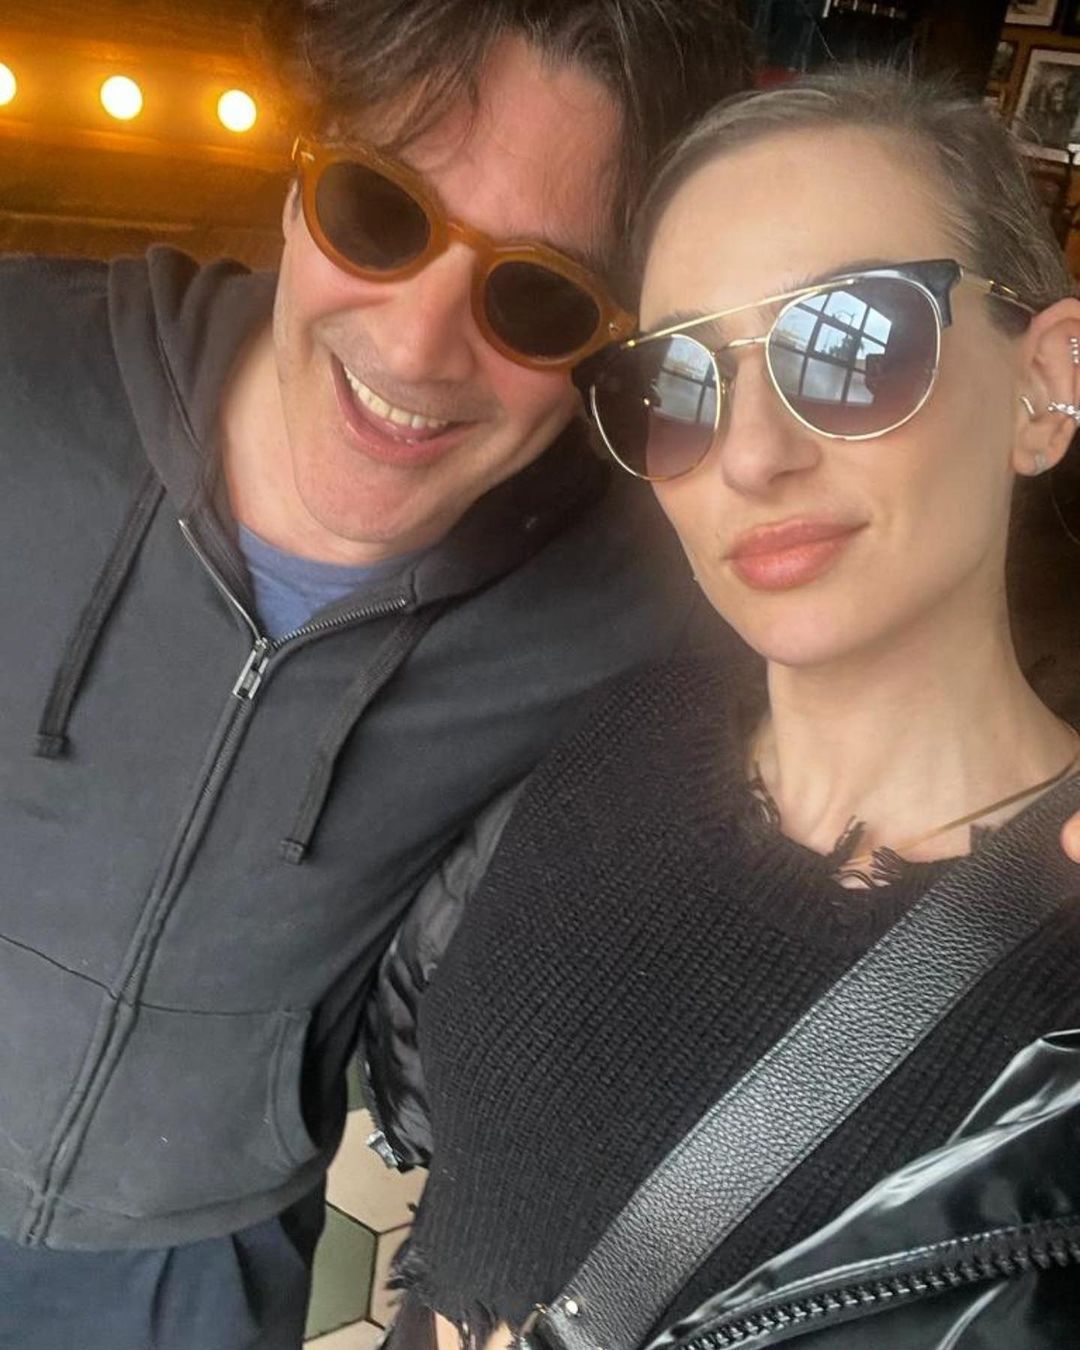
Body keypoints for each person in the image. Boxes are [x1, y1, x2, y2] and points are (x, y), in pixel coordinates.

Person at [0, 4, 752, 1348]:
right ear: (304, 176)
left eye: (538, 297)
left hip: (200, 1267)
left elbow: (865, 695)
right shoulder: (23, 373)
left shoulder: (627, 593)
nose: (416, 348)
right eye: (379, 211)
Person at [366, 67, 1080, 1349]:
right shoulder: (624, 733)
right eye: (680, 381)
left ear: (1046, 384)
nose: (751, 454)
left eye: (852, 344)